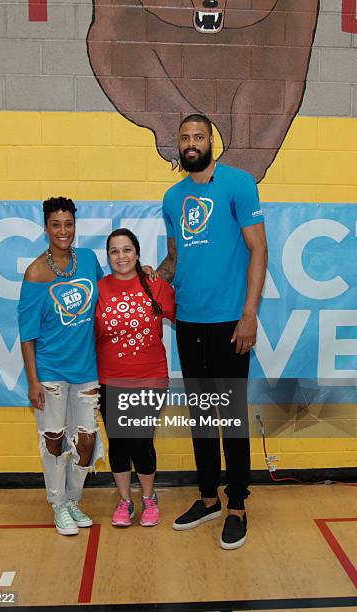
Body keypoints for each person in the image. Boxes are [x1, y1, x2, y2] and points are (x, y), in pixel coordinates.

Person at [157, 114, 267, 549]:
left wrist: (249, 314)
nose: (190, 143)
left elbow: (258, 249)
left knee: (232, 418)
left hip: (230, 323)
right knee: (202, 418)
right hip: (188, 322)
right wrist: (151, 277)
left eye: (198, 136)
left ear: (211, 142)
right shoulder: (172, 197)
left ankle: (237, 504)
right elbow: (174, 258)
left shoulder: (239, 184)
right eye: (184, 137)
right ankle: (208, 499)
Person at [18, 196, 104, 536]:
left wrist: (138, 272)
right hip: (50, 370)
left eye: (68, 224)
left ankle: (73, 499)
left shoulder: (88, 260)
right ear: (46, 228)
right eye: (56, 225)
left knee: (87, 440)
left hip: (86, 370)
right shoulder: (36, 273)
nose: (63, 231)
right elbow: (27, 333)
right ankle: (57, 504)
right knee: (54, 438)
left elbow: (107, 294)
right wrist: (32, 381)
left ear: (74, 226)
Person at [95, 229, 175, 528]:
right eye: (114, 251)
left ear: (137, 253)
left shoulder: (155, 287)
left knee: (140, 442)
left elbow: (191, 315)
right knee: (118, 443)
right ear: (108, 256)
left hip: (150, 378)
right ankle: (125, 500)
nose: (121, 256)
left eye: (127, 250)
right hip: (109, 378)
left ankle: (150, 498)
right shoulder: (98, 288)